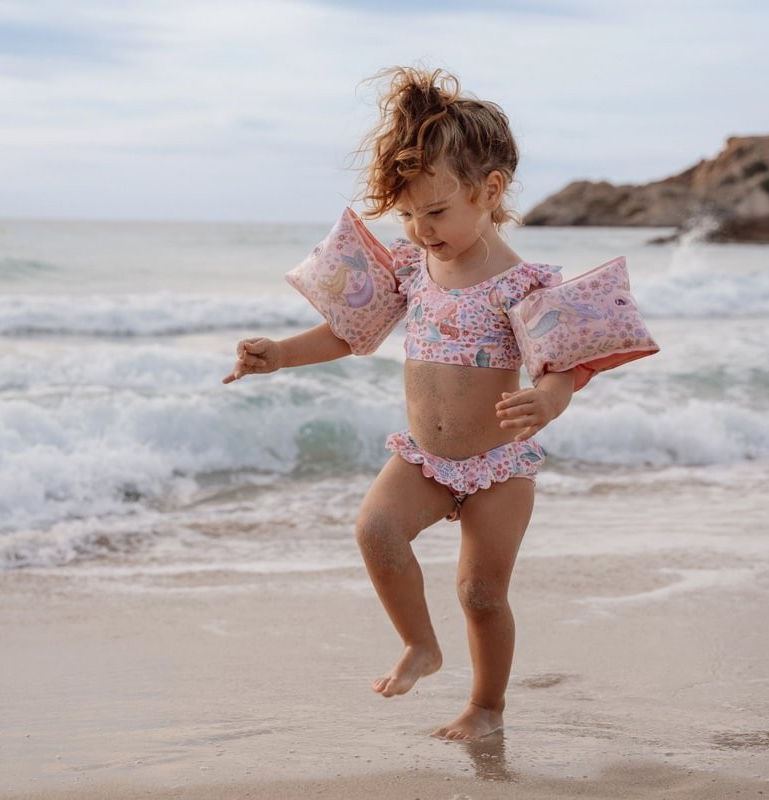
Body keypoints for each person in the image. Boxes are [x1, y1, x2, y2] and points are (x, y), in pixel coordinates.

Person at [222, 66, 576, 740]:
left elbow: (564, 366)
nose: (419, 229)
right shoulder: (412, 268)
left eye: (435, 212)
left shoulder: (522, 284)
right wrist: (280, 353)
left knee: (481, 594)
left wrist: (548, 401)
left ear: (489, 190)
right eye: (408, 214)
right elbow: (349, 331)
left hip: (497, 466)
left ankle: (487, 707)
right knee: (375, 530)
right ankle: (420, 645)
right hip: (426, 458)